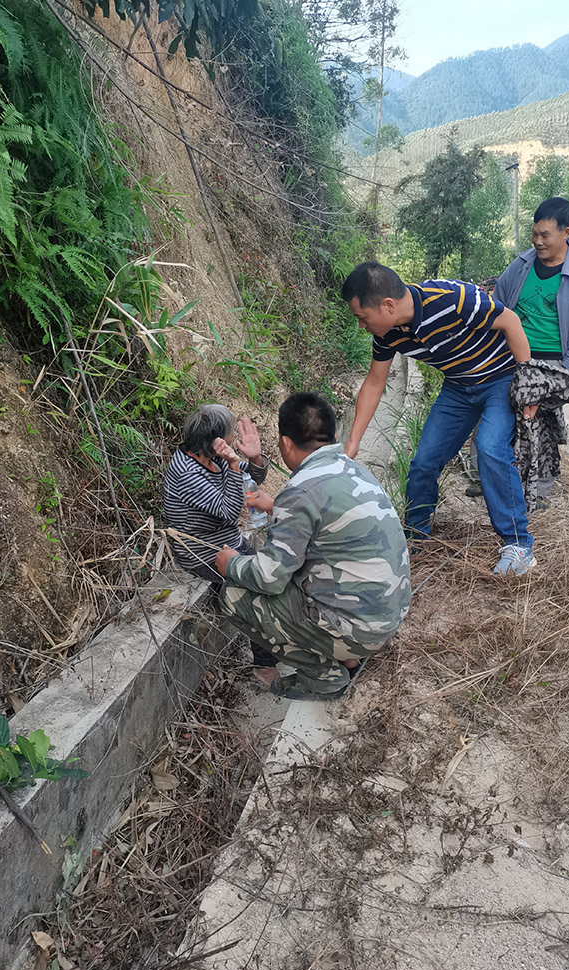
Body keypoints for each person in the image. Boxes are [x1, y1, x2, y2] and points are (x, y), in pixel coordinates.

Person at [341, 261, 537, 577]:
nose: (362, 326)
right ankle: (416, 538)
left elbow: (510, 321)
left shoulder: (452, 298)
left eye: (362, 317)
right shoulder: (388, 333)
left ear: (388, 305)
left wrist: (528, 384)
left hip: (500, 380)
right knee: (424, 462)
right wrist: (352, 443)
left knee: (489, 448)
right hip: (458, 389)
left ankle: (518, 546)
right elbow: (375, 382)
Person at [213, 392, 411, 701]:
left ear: (286, 444)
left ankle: (322, 676)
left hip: (359, 629)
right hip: (387, 617)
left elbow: (269, 577)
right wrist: (274, 506)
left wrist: (231, 563)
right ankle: (346, 653)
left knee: (234, 594)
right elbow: (325, 513)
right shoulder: (353, 469)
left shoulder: (300, 490)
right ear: (332, 436)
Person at [492, 196, 569, 500]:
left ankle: (537, 490)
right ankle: (493, 478)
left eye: (545, 235)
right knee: (503, 417)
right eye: (534, 234)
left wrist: (555, 380)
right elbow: (497, 307)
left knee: (537, 425)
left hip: (554, 365)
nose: (537, 242)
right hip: (513, 357)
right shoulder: (521, 266)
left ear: (566, 233)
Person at [163, 404, 278, 683]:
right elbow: (229, 510)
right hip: (203, 552)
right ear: (216, 441)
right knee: (259, 593)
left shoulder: (211, 457)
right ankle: (264, 666)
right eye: (229, 435)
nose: (232, 441)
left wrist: (255, 458)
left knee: (274, 580)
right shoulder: (186, 472)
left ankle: (280, 645)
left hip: (229, 541)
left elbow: (250, 482)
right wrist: (235, 464)